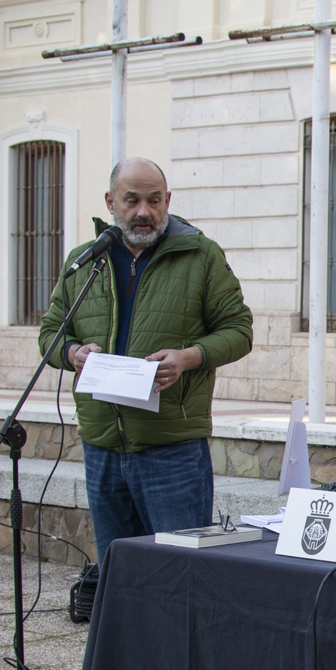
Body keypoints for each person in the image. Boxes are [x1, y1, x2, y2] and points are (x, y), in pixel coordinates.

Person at [42, 157, 253, 566]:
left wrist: (188, 357)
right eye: (132, 200)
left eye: (155, 201)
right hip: (102, 446)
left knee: (179, 575)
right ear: (110, 201)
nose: (144, 212)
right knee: (119, 575)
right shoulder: (86, 261)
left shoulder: (201, 255)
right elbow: (50, 333)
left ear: (168, 200)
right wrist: (74, 353)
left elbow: (239, 330)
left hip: (171, 451)